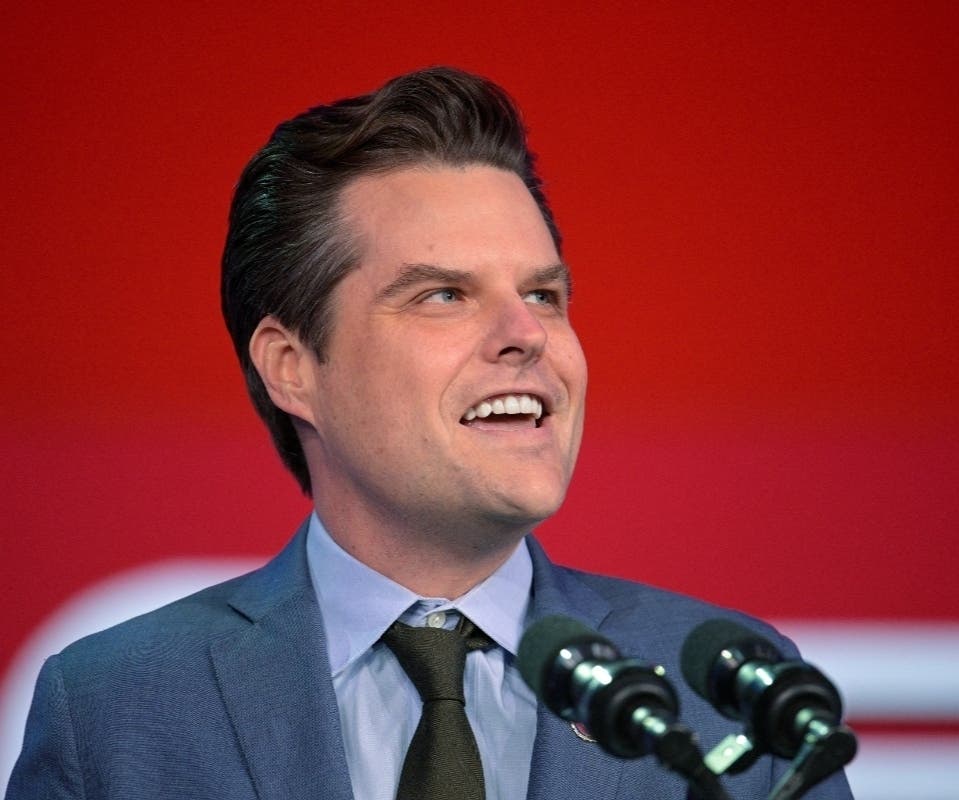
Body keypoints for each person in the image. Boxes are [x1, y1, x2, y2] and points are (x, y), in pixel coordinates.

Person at [6, 67, 852, 800]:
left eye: (545, 294)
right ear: (292, 367)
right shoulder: (117, 709)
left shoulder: (732, 691)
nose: (527, 334)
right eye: (443, 294)